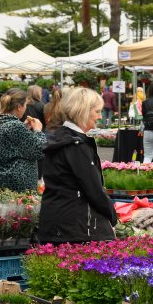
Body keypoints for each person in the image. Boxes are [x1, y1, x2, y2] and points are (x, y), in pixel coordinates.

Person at [38, 88, 117, 244]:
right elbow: (94, 190)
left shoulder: (59, 139)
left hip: (55, 221)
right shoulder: (76, 146)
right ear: (83, 111)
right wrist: (113, 216)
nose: (100, 116)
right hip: (76, 227)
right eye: (97, 111)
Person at [0, 88, 46, 191]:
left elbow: (9, 145)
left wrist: (24, 128)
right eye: (25, 105)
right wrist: (38, 130)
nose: (26, 108)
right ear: (19, 107)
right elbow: (40, 150)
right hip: (15, 186)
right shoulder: (14, 126)